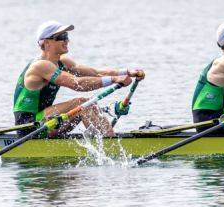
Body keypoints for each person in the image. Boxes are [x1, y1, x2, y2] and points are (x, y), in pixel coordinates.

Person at [13, 20, 144, 137]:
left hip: (48, 120)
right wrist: (114, 80)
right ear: (46, 43)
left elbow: (95, 72)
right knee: (82, 103)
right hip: (29, 126)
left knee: (87, 106)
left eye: (66, 36)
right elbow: (77, 84)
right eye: (61, 37)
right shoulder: (40, 66)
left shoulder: (62, 62)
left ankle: (105, 141)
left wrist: (126, 72)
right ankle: (111, 145)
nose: (66, 40)